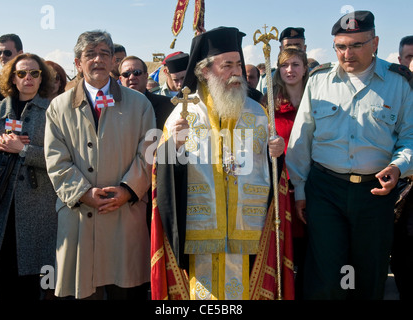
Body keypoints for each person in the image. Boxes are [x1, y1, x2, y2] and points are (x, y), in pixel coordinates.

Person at [150, 26, 293, 300]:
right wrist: (174, 147)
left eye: (238, 64)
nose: (236, 71)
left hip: (249, 230)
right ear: (205, 71)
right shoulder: (183, 112)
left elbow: (274, 175)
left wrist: (276, 153)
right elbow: (163, 175)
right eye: (227, 65)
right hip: (198, 229)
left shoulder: (258, 113)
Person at [286, 10, 413, 300]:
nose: (347, 53)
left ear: (375, 42)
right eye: (341, 46)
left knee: (368, 274)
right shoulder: (318, 80)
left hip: (375, 193)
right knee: (327, 276)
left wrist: (398, 166)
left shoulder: (399, 83)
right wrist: (300, 190)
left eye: (356, 45)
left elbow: (410, 137)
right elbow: (301, 138)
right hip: (325, 190)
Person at [44, 30, 155, 300]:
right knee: (84, 293)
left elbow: (150, 151)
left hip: (125, 215)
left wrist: (128, 190)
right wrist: (84, 193)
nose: (98, 60)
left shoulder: (139, 104)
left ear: (113, 61)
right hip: (80, 216)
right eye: (90, 54)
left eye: (105, 53)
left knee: (126, 291)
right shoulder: (58, 107)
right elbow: (56, 160)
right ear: (77, 63)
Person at [0, 53, 57, 300]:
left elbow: (61, 159)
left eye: (34, 73)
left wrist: (23, 150)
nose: (28, 77)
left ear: (41, 78)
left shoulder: (54, 112)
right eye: (22, 73)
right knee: (2, 274)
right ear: (12, 78)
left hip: (37, 208)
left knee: (29, 280)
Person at [119, 55, 175, 233]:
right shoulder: (111, 107)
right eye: (126, 74)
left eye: (136, 72)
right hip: (124, 184)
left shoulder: (168, 106)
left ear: (146, 76)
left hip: (158, 184)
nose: (131, 77)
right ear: (120, 79)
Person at [272, 46, 309, 300]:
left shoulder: (315, 101)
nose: (290, 70)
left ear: (305, 68)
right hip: (282, 188)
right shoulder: (269, 105)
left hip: (312, 187)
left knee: (310, 253)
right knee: (284, 253)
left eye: (295, 64)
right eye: (285, 65)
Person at [390, 35, 413, 300]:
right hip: (403, 191)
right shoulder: (394, 91)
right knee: (404, 259)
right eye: (409, 57)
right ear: (400, 60)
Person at [258, 27, 307, 95]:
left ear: (304, 48)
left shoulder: (315, 77)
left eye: (297, 46)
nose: (293, 50)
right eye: (288, 46)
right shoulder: (267, 79)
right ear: (281, 49)